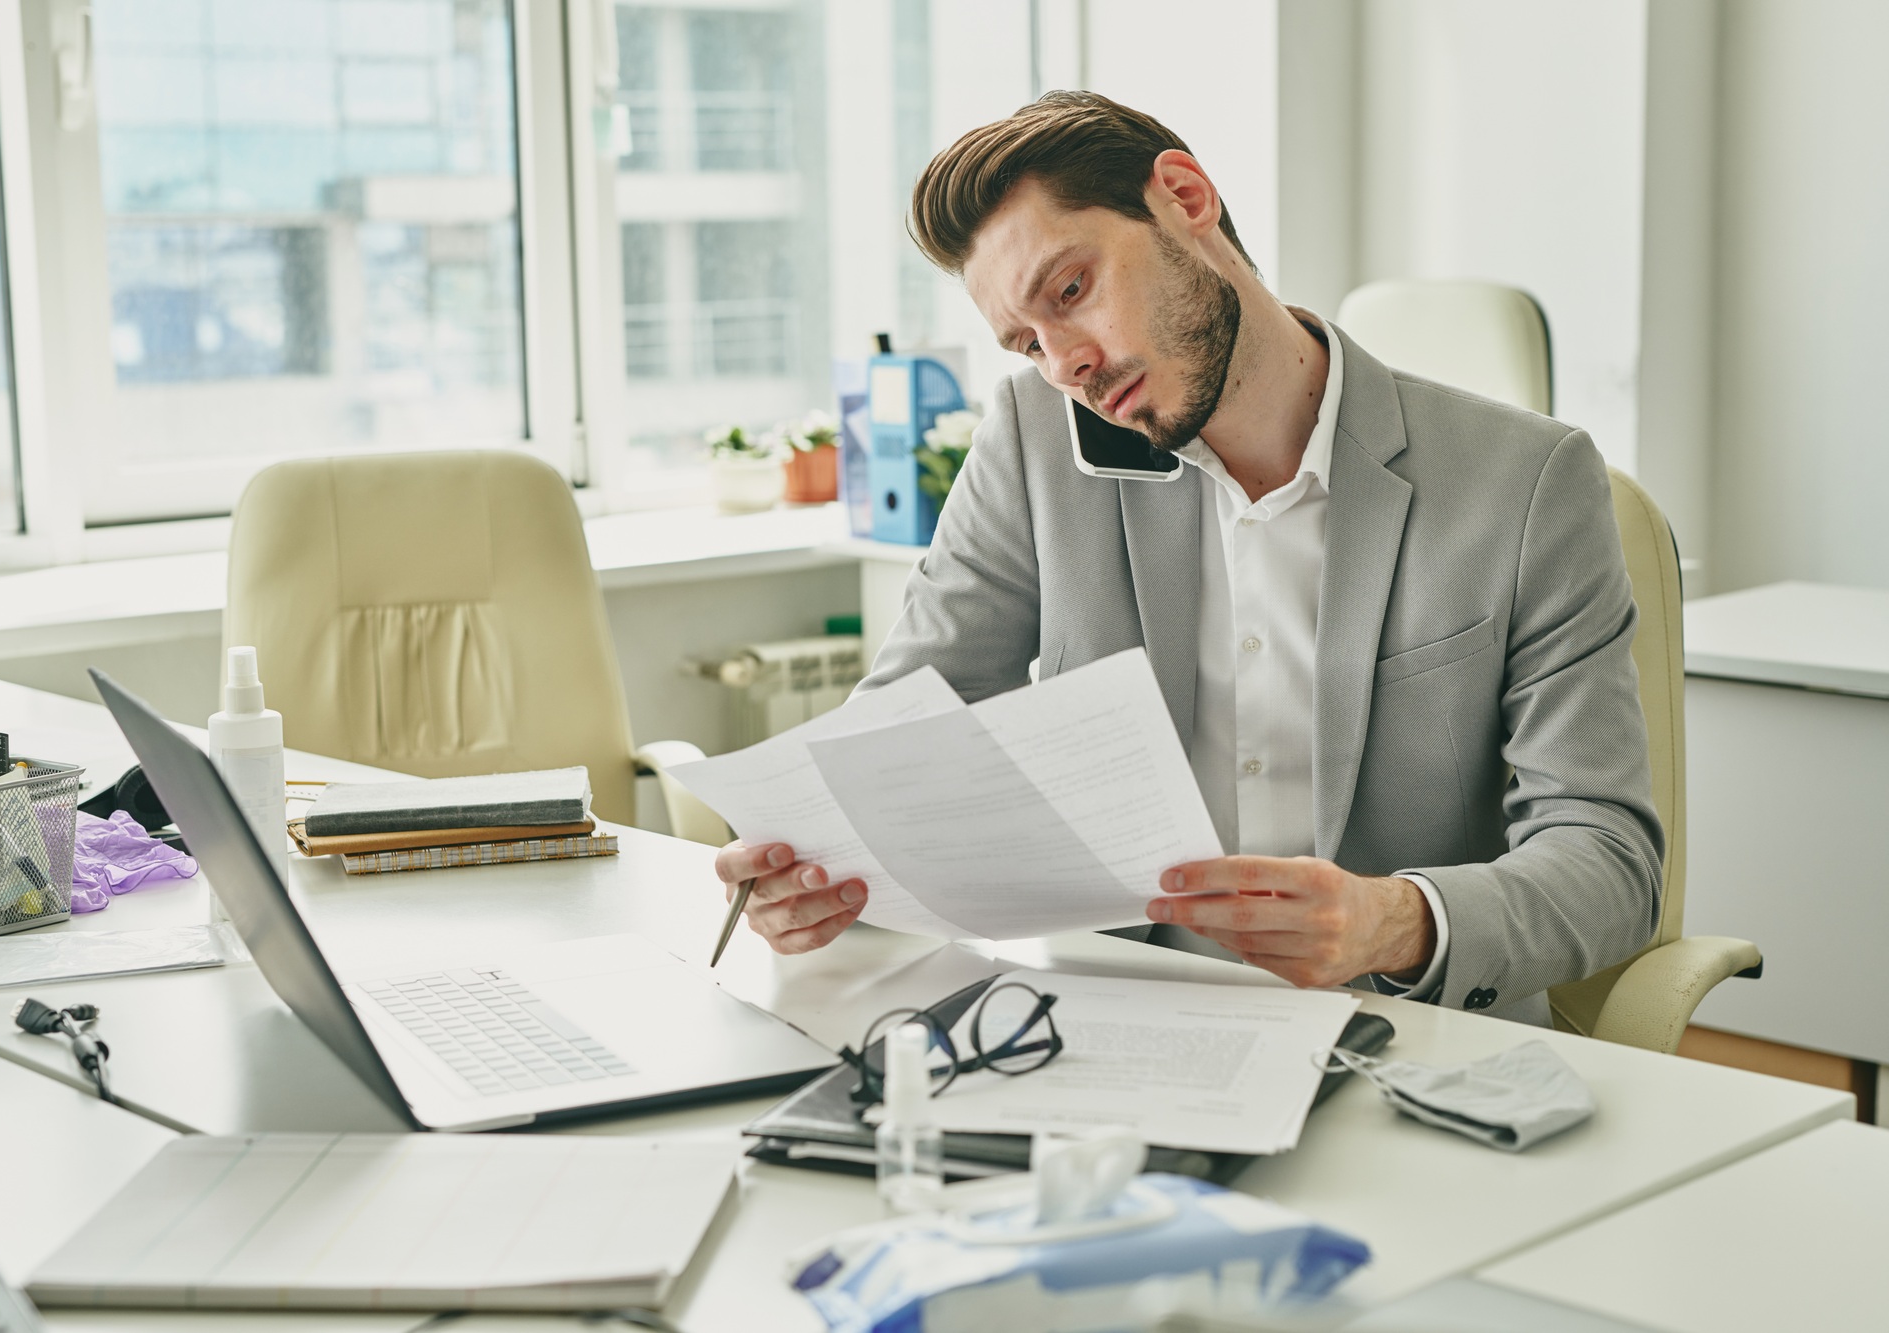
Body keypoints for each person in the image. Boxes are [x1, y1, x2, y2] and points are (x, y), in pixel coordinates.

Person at [712, 91, 1661, 1024]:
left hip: (1415, 1044)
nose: (1065, 365)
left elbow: (1608, 856)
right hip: (1121, 1038)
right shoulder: (1033, 444)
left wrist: (1395, 921)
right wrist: (804, 868)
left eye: (1072, 291)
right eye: (1027, 341)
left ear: (1186, 198)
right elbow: (894, 741)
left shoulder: (1528, 481)